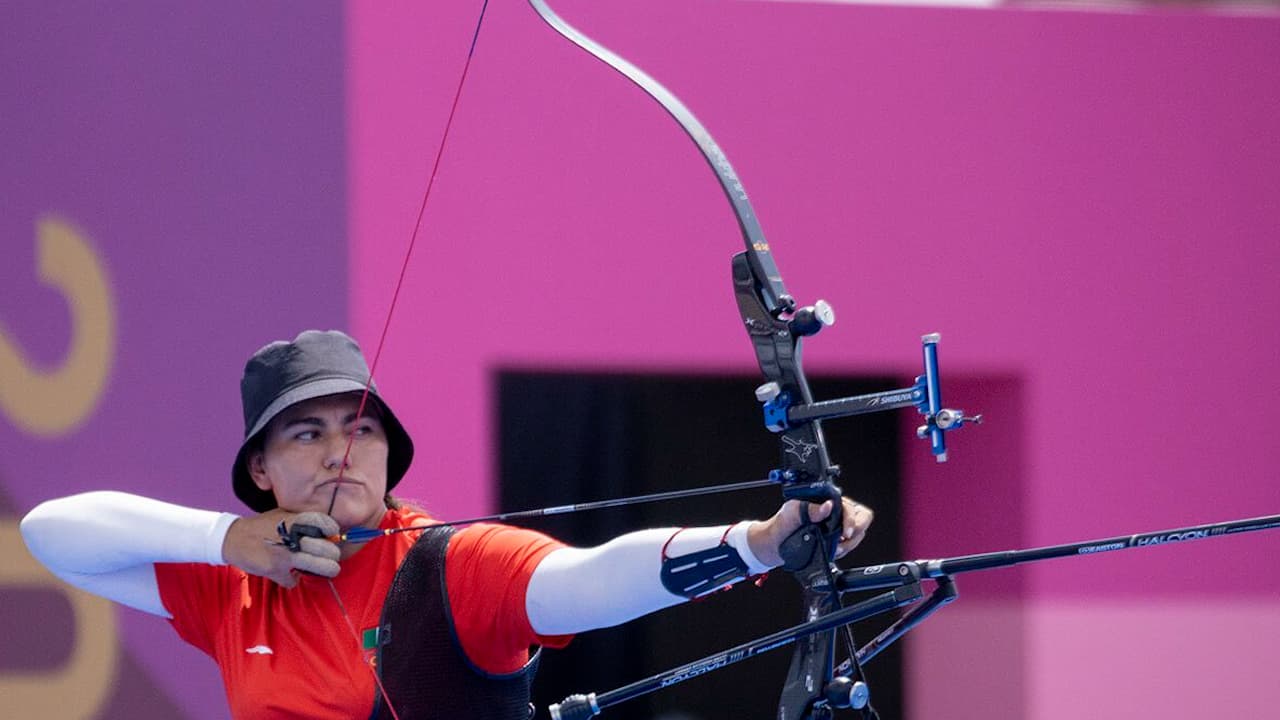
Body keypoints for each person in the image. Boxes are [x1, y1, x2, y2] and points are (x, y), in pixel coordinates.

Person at [21, 329, 873, 720]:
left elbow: (590, 580)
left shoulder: (450, 567)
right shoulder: (235, 589)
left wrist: (759, 543)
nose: (339, 453)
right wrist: (225, 540)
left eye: (360, 429)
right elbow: (53, 534)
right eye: (306, 433)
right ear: (261, 472)